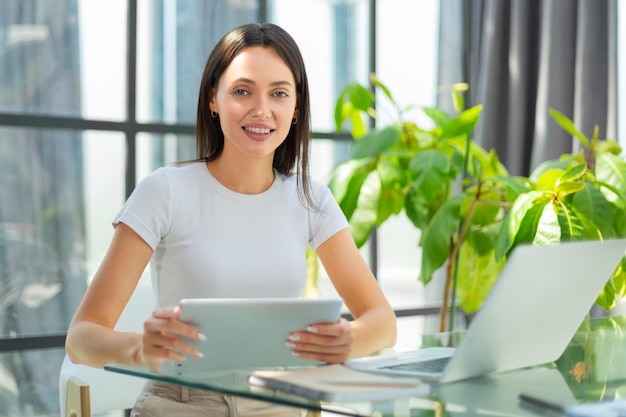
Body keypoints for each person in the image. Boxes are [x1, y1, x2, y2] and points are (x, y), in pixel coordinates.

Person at [65, 22, 397, 416]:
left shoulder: (310, 198)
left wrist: (348, 339)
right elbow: (81, 337)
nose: (261, 109)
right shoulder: (165, 191)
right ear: (213, 98)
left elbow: (383, 321)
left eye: (279, 93)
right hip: (181, 404)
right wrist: (139, 348)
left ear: (296, 109)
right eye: (242, 91)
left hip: (280, 400)